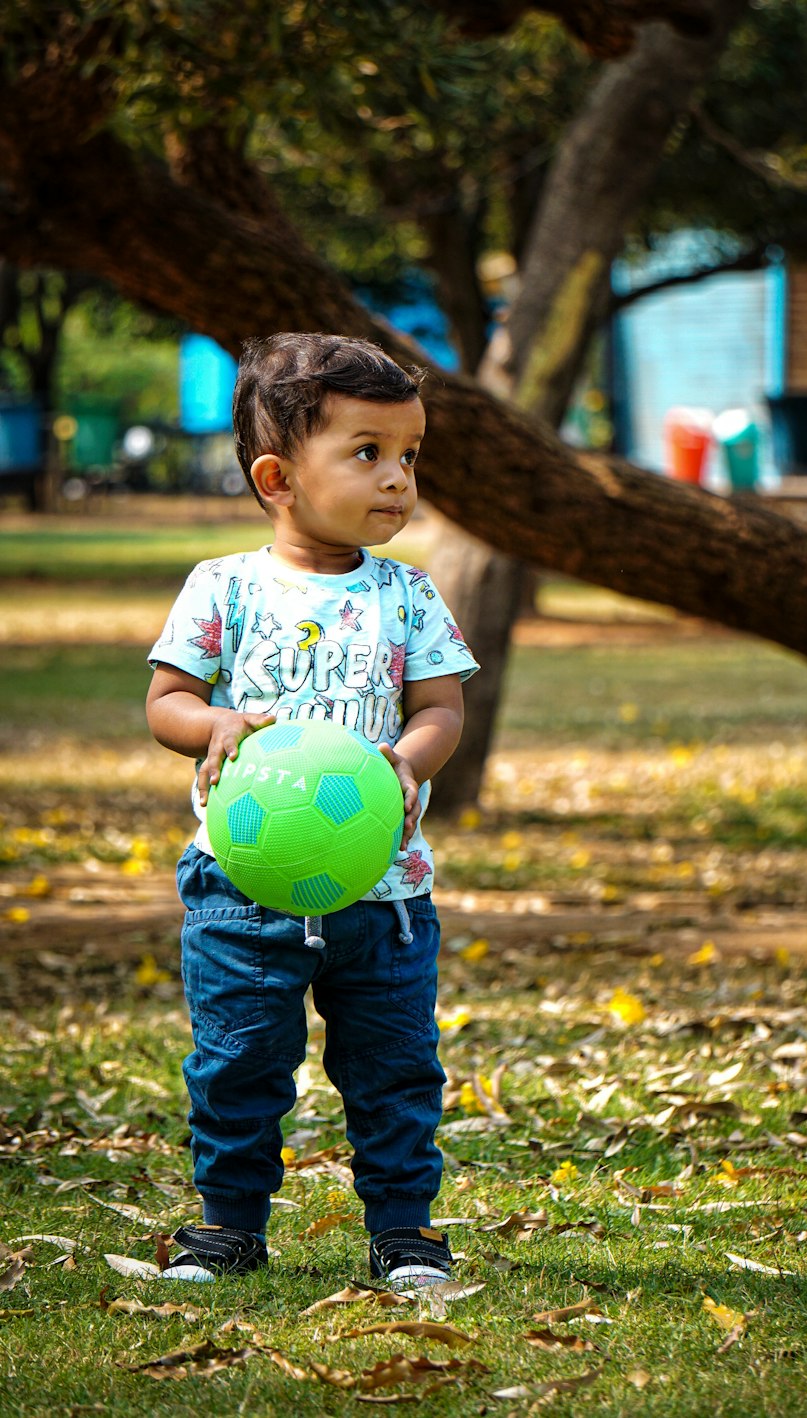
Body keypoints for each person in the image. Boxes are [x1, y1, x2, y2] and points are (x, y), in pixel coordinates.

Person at [146, 332, 479, 1287]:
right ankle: (229, 1226)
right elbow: (167, 702)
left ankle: (406, 1231)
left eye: (408, 456)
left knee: (396, 1066)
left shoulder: (408, 596)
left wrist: (406, 764)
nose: (397, 478)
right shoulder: (225, 587)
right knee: (239, 1061)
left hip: (385, 891)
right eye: (367, 452)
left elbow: (442, 709)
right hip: (240, 884)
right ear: (278, 476)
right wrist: (212, 721)